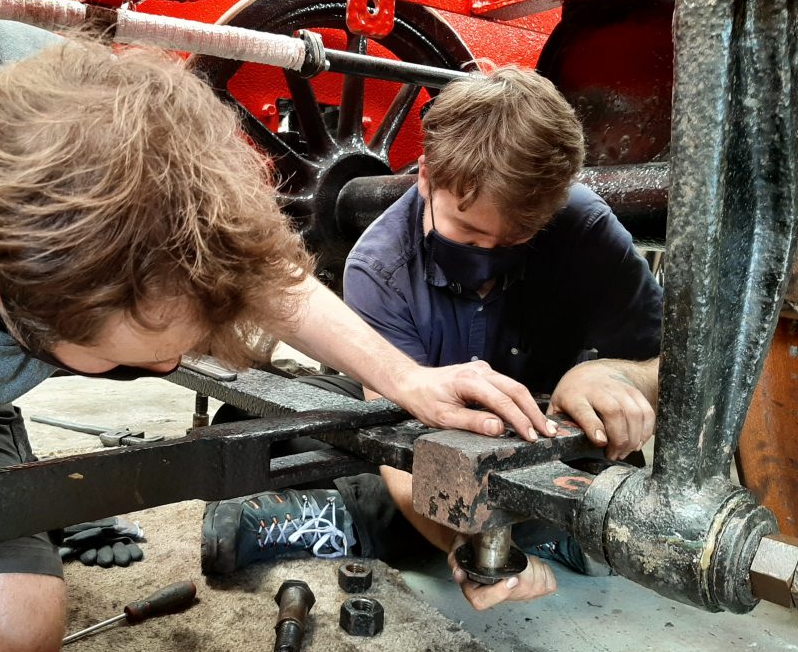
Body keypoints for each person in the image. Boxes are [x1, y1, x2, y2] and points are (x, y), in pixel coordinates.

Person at [0, 21, 558, 652]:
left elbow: (251, 264)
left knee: (14, 644)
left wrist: (407, 379)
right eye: (134, 358)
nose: (169, 367)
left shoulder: (81, 108)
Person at [203, 65, 662, 611]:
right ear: (425, 176)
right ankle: (564, 536)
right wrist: (470, 550)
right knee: (293, 430)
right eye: (468, 232)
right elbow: (400, 463)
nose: (489, 253)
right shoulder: (378, 266)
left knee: (614, 486)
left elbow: (673, 367)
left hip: (543, 448)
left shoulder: (585, 230)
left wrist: (613, 375)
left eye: (518, 238)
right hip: (418, 437)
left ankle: (331, 520)